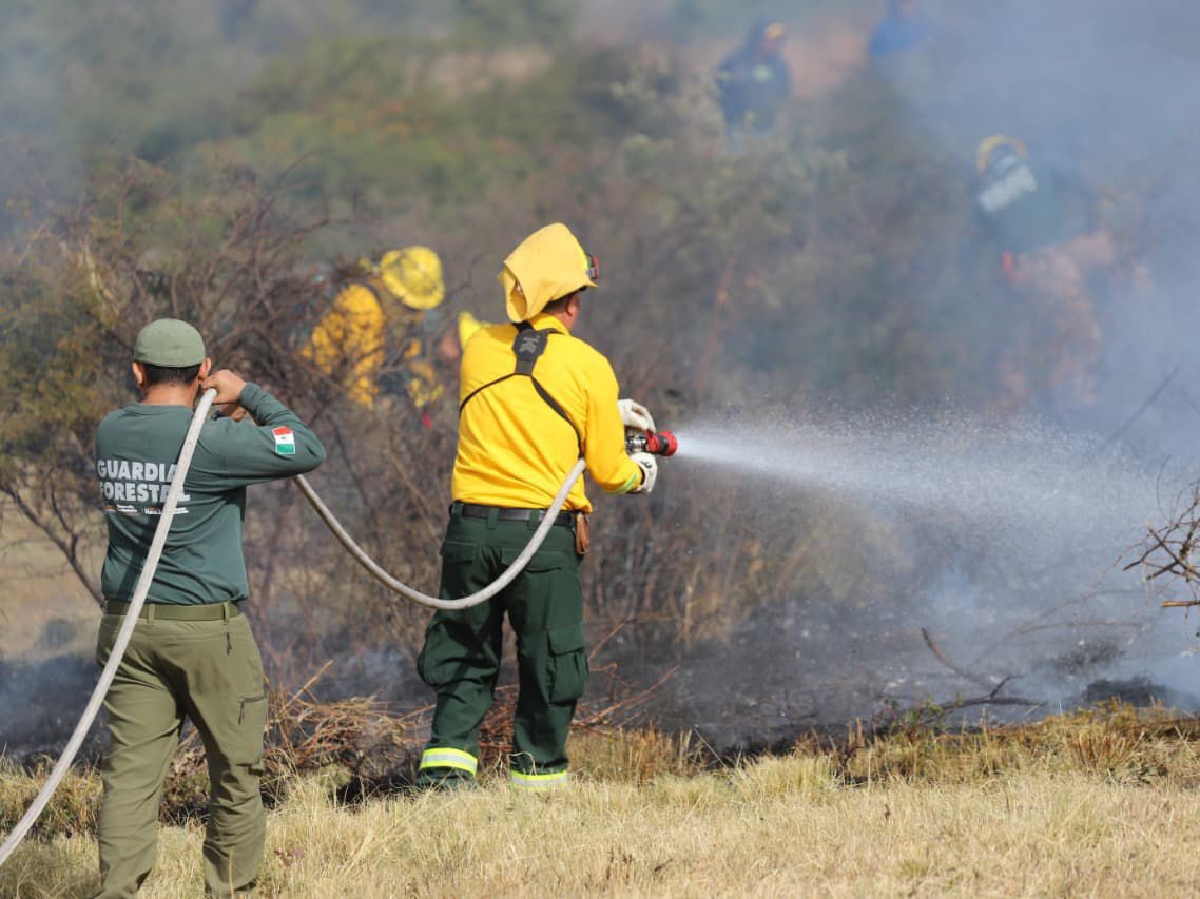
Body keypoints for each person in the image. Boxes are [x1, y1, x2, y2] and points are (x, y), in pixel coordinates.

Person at [415, 222, 659, 790]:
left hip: (469, 536)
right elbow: (608, 471)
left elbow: (522, 388)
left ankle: (446, 774)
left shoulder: (479, 347)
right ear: (569, 303)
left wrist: (599, 408)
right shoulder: (588, 365)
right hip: (542, 541)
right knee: (551, 660)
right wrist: (640, 473)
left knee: (465, 651)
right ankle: (538, 778)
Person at [92, 318, 326, 897]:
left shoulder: (110, 430)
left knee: (130, 778)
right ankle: (228, 888)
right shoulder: (216, 441)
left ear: (137, 372)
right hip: (205, 632)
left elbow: (168, 440)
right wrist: (245, 394)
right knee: (236, 772)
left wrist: (212, 415)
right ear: (201, 374)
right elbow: (306, 446)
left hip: (128, 630)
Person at [972, 135, 1114, 406]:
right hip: (1054, 262)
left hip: (1025, 275)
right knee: (1083, 329)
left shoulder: (983, 198)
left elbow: (979, 246)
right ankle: (1087, 399)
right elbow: (1082, 183)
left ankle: (1066, 398)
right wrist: (1094, 219)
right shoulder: (1041, 164)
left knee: (1052, 334)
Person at [304, 246, 483, 427]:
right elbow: (358, 380)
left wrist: (419, 379)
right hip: (310, 382)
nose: (416, 315)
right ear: (395, 293)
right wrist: (365, 428)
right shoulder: (363, 306)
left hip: (331, 387)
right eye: (411, 307)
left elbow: (408, 351)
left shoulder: (396, 313)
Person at [714, 18, 790, 153]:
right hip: (738, 130)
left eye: (776, 41)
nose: (773, 44)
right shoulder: (735, 61)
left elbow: (784, 93)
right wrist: (728, 112)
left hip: (767, 130)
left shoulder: (779, 66)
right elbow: (717, 85)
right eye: (768, 39)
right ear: (756, 39)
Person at [868, 0, 936, 62]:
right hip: (892, 72)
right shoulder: (883, 31)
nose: (908, 6)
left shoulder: (926, 27)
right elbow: (875, 57)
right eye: (903, 3)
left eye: (910, 2)